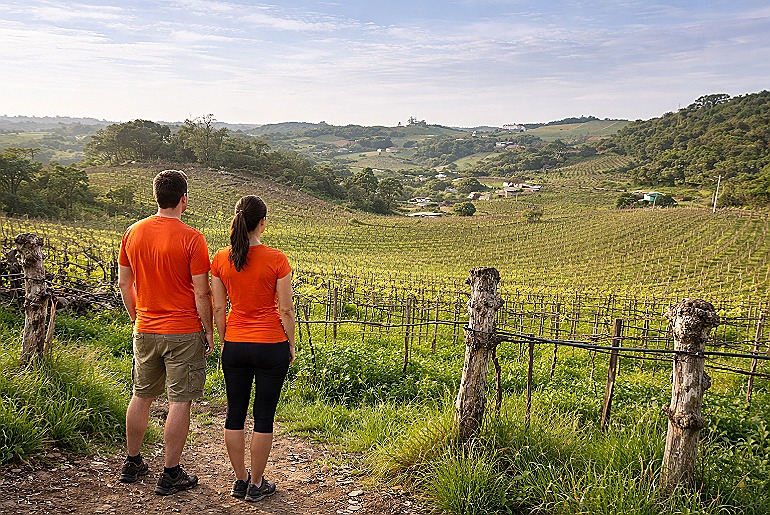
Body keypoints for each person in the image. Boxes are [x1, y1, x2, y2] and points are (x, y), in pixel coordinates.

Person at [117, 170, 215, 495]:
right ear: (184, 199)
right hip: (183, 331)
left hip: (145, 327)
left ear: (155, 196)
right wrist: (209, 330)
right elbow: (202, 294)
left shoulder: (132, 232)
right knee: (180, 401)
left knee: (141, 395)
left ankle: (132, 462)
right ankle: (171, 473)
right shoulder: (192, 238)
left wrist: (137, 317)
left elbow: (123, 283)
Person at [211, 195, 295, 503]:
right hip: (271, 344)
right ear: (262, 223)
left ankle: (240, 480)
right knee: (263, 416)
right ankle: (257, 484)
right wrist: (291, 343)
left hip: (235, 343)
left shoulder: (220, 258)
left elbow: (219, 306)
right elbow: (285, 310)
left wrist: (224, 340)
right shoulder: (277, 258)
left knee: (234, 414)